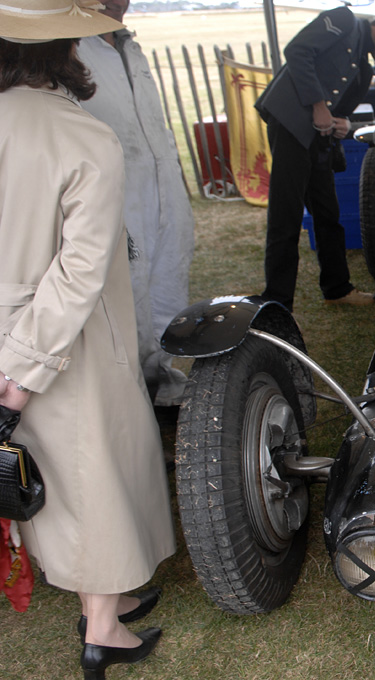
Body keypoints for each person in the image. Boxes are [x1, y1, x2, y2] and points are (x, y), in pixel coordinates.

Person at [0, 2, 176, 678]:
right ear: (65, 50)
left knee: (47, 472)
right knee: (89, 474)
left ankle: (108, 595)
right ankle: (102, 629)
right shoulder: (82, 135)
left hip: (16, 328)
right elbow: (79, 272)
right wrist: (23, 368)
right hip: (62, 337)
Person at [76, 0, 195, 406]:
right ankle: (129, 396)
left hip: (161, 187)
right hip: (114, 188)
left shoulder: (130, 45)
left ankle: (160, 379)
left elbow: (154, 122)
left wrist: (174, 178)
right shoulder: (68, 48)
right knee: (125, 291)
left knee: (167, 281)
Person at [256, 10, 375, 311]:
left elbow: (337, 112)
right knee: (285, 217)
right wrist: (318, 106)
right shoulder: (344, 20)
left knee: (328, 212)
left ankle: (337, 288)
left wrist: (344, 125)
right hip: (290, 124)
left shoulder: (364, 71)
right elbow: (297, 51)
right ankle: (277, 304)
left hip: (314, 137)